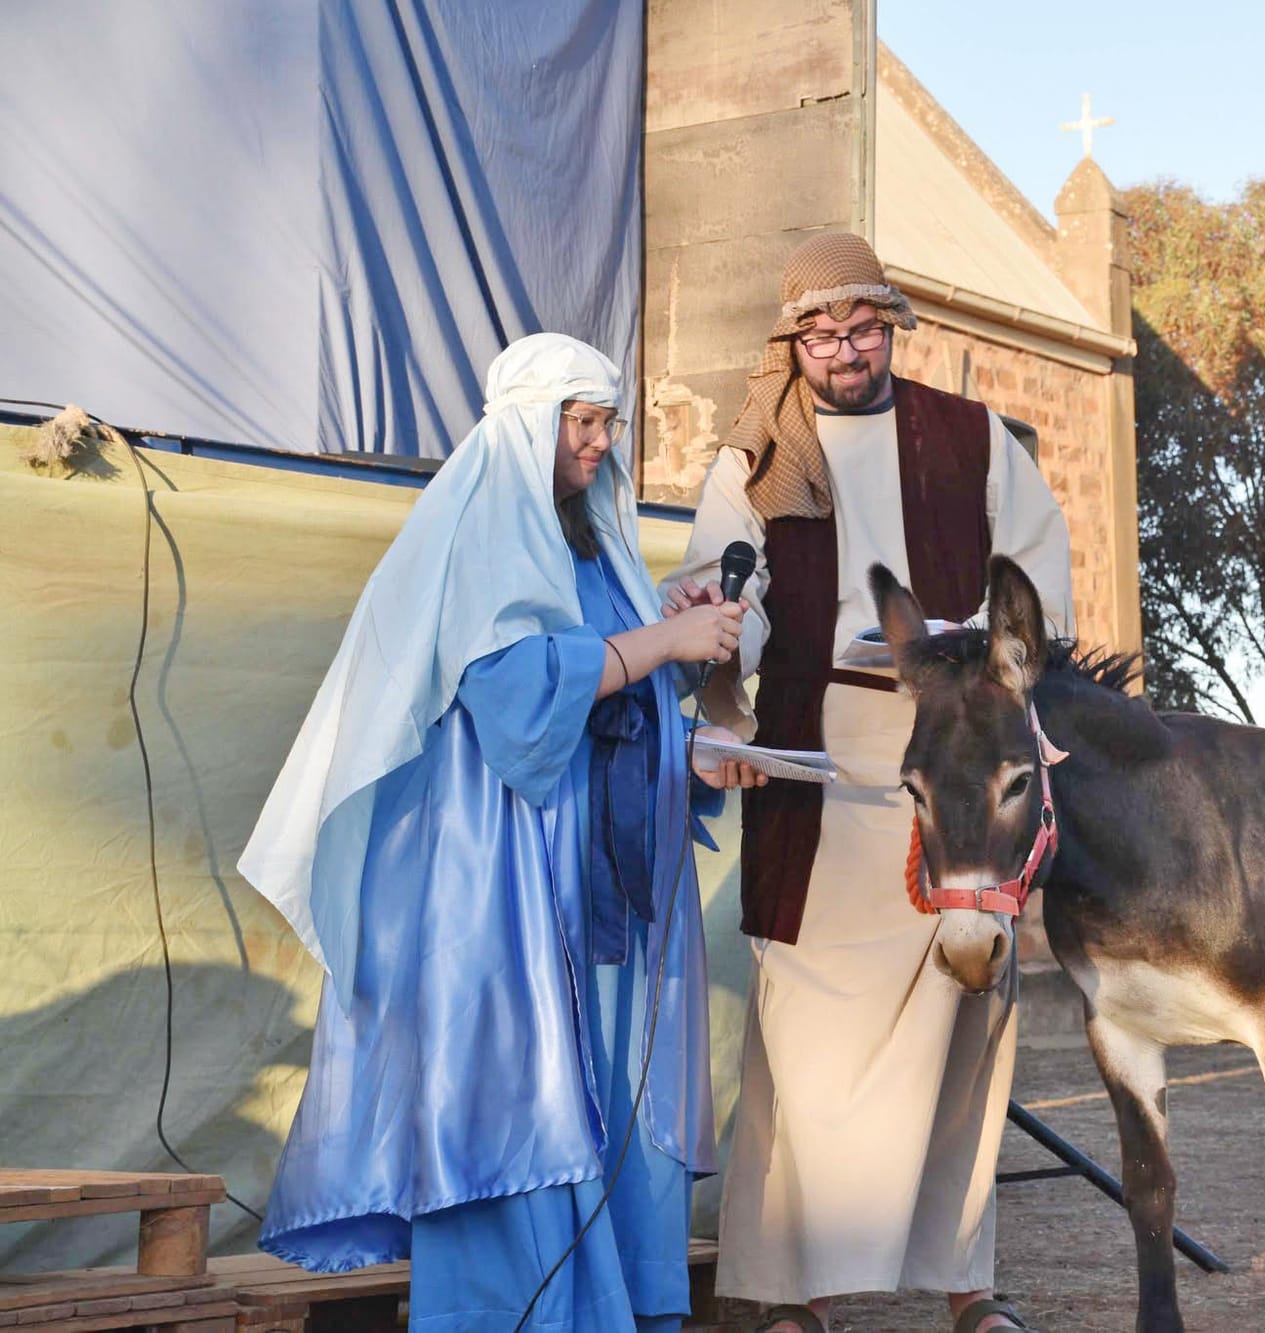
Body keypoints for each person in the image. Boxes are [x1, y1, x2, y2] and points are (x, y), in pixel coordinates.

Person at [239, 333, 736, 1331]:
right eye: (580, 424)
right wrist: (660, 640)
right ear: (526, 426)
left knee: (598, 1088)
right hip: (507, 881)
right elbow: (516, 695)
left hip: (596, 883)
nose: (598, 445)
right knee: (519, 1091)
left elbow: (607, 691)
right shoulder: (485, 530)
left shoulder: (588, 539)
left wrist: (682, 722)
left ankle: (614, 1308)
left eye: (607, 424)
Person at [664, 232, 1074, 1333]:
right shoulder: (756, 458)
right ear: (791, 339)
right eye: (819, 331)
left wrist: (985, 642)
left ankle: (966, 1289)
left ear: (889, 326)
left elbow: (1040, 579)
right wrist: (723, 670)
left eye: (860, 327)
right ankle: (792, 1294)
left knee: (965, 1023)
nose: (842, 349)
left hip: (954, 755)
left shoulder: (971, 437)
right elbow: (720, 597)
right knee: (804, 1035)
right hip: (817, 759)